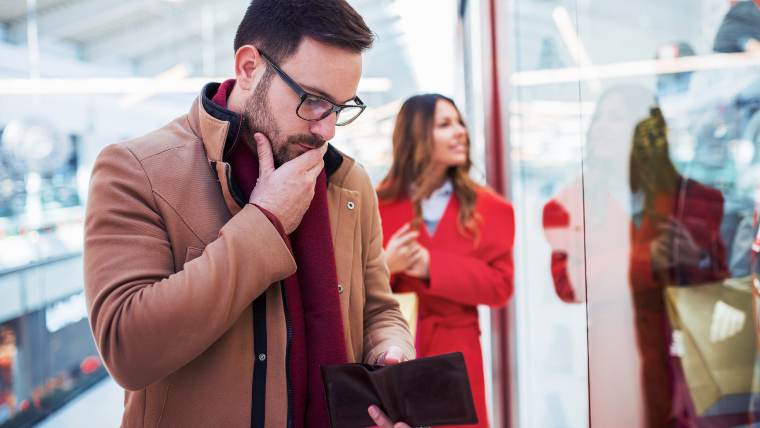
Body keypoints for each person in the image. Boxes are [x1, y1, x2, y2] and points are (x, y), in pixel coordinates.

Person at [82, 1, 415, 427]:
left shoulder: (347, 181)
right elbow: (127, 350)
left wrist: (392, 352)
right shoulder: (137, 170)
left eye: (340, 108)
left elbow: (378, 310)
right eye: (313, 100)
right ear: (248, 67)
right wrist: (266, 220)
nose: (326, 130)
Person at [376, 94, 515, 428]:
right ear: (416, 135)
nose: (460, 132)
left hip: (458, 353)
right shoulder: (374, 204)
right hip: (396, 351)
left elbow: (501, 286)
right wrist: (386, 266)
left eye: (459, 123)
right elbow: (347, 285)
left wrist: (430, 267)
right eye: (444, 124)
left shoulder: (493, 208)